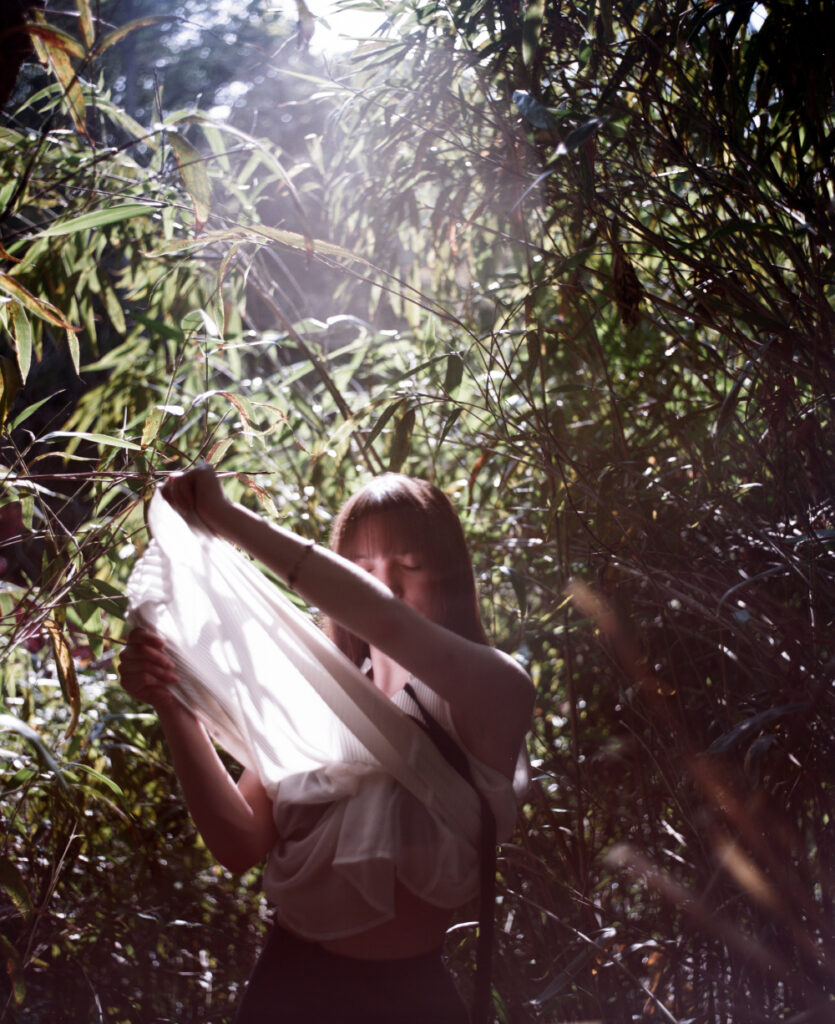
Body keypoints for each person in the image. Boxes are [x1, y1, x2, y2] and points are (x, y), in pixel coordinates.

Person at [119, 465, 533, 1023]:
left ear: (450, 575)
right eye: (362, 569)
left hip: (412, 1005)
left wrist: (225, 516)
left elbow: (384, 618)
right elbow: (238, 845)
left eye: (410, 565)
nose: (387, 584)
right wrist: (170, 700)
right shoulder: (315, 704)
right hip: (285, 990)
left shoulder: (495, 693)